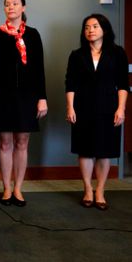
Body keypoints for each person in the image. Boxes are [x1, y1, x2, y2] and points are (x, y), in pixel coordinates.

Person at [0, 0, 48, 207]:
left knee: (22, 142)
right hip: (1, 96)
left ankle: (18, 187)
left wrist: (42, 98)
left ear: (23, 8)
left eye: (15, 3)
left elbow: (39, 69)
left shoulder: (33, 35)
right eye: (7, 4)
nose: (11, 7)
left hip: (27, 96)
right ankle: (6, 188)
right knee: (4, 143)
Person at [65, 14, 128, 210]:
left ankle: (100, 190)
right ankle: (87, 189)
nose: (90, 30)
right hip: (82, 108)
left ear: (105, 29)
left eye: (95, 26)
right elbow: (70, 83)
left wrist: (121, 108)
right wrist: (70, 107)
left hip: (108, 108)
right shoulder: (77, 55)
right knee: (85, 151)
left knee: (104, 152)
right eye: (86, 27)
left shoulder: (117, 53)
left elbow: (124, 84)